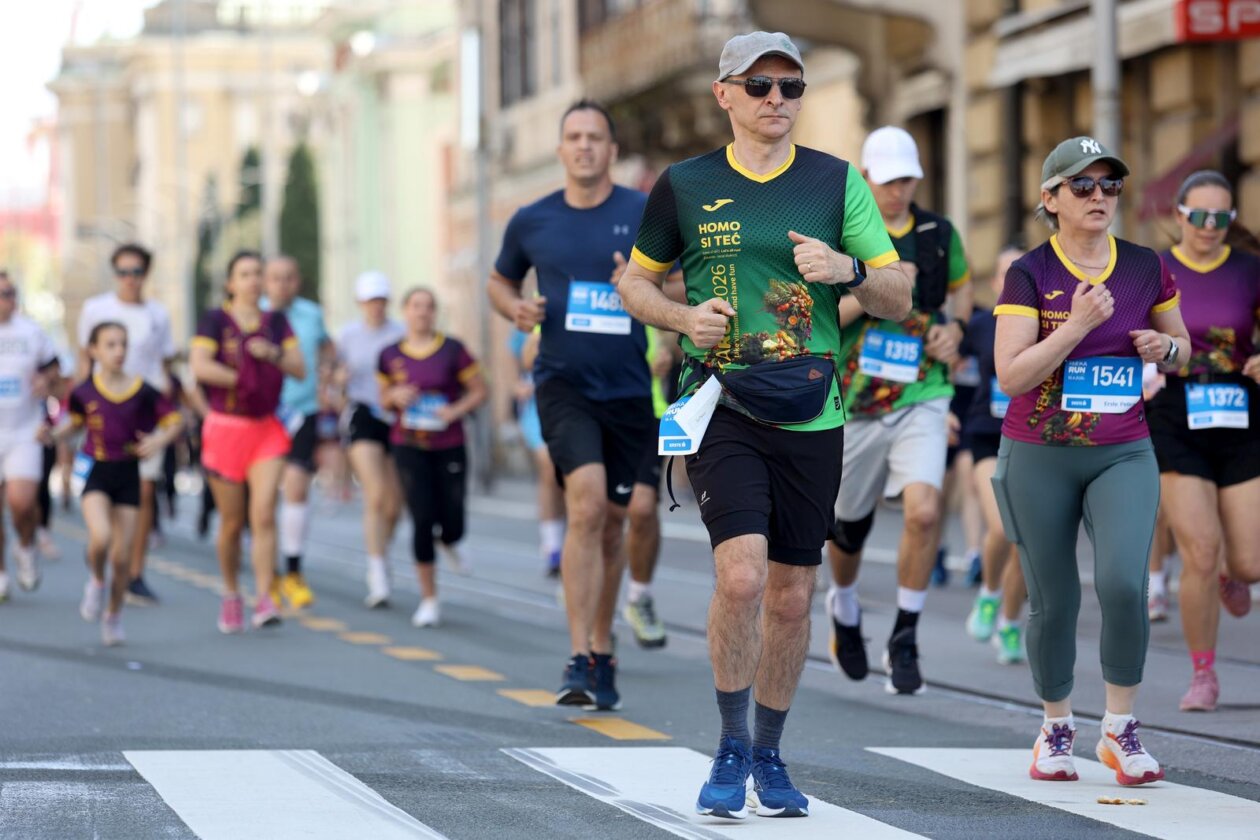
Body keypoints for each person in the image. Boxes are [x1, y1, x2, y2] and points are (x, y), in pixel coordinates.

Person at [618, 31, 911, 819]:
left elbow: (898, 291)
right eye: (759, 86)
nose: (776, 100)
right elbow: (634, 285)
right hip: (724, 404)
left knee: (790, 594)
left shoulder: (835, 181)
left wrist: (848, 270)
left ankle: (771, 753)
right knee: (741, 577)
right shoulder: (684, 184)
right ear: (725, 95)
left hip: (813, 409)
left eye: (790, 86)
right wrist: (681, 316)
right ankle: (728, 743)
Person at [992, 137, 1189, 786]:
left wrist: (1164, 347)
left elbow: (1182, 350)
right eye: (1083, 186)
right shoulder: (1029, 273)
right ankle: (1055, 725)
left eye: (1110, 185)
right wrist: (1074, 327)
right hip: (1039, 452)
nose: (1100, 196)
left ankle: (1119, 729)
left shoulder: (1143, 265)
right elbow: (1012, 376)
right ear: (1051, 199)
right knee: (1055, 599)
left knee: (1127, 585)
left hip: (1122, 449)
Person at [487, 99, 672, 712]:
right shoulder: (532, 220)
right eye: (574, 137)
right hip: (563, 384)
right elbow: (499, 280)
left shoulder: (642, 213)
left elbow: (686, 278)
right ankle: (577, 655)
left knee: (617, 522)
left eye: (596, 137)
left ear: (612, 151)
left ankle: (603, 644)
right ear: (561, 150)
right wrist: (514, 309)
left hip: (628, 391)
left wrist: (640, 286)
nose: (585, 146)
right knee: (586, 504)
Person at [824, 125, 973, 695]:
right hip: (855, 398)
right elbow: (818, 319)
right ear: (865, 179)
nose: (897, 191)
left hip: (923, 390)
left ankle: (905, 635)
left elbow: (961, 289)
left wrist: (954, 330)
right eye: (887, 181)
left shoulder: (937, 233)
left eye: (906, 179)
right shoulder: (841, 233)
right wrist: (877, 288)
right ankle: (844, 604)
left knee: (925, 512)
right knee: (848, 526)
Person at [1147, 171, 1260, 712]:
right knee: (1200, 548)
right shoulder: (1154, 269)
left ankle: (1229, 575)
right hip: (1176, 411)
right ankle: (1204, 674)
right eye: (1200, 217)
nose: (1210, 228)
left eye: (1222, 218)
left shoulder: (1250, 270)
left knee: (1250, 564)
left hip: (1240, 411)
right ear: (1179, 215)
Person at [190, 251, 305, 633]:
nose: (253, 281)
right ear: (230, 283)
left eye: (258, 274)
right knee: (232, 522)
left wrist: (270, 353)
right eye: (245, 274)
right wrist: (241, 377)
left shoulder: (276, 322)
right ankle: (230, 592)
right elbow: (200, 366)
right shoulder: (214, 320)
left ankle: (265, 597)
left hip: (266, 428)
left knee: (264, 513)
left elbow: (299, 367)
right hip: (226, 429)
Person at [49, 322, 182, 645]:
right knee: (101, 536)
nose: (118, 351)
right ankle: (96, 581)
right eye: (110, 345)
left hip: (128, 475)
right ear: (93, 350)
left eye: (122, 344)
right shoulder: (83, 391)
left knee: (122, 557)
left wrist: (158, 441)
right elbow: (73, 423)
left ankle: (113, 614)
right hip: (97, 470)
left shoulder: (143, 390)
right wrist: (52, 434)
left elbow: (174, 421)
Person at [377, 287, 487, 627]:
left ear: (435, 312)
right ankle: (429, 599)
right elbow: (382, 399)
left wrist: (454, 410)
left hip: (449, 442)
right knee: (422, 518)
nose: (422, 313)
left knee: (452, 518)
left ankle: (451, 539)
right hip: (408, 444)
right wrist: (395, 395)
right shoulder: (389, 354)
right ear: (405, 311)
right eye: (415, 306)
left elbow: (480, 390)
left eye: (428, 307)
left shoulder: (453, 350)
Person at [77, 244, 177, 607]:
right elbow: (83, 362)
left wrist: (172, 414)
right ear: (114, 273)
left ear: (145, 274)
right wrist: (79, 407)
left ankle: (135, 573)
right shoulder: (96, 309)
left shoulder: (157, 314)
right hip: (107, 412)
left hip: (144, 416)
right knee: (103, 499)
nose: (129, 279)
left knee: (145, 492)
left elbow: (165, 366)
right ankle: (102, 558)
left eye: (136, 271)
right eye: (122, 271)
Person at [960, 246, 1028, 664]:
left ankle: (1011, 622)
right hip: (987, 434)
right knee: (1004, 527)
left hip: (1035, 438)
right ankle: (989, 594)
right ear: (995, 283)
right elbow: (950, 367)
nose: (1015, 283)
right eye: (1008, 275)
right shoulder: (981, 325)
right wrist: (944, 412)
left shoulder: (1048, 323)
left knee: (1026, 542)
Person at [263, 255, 333, 610]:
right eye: (275, 278)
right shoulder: (253, 314)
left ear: (298, 281)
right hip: (263, 414)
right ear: (264, 282)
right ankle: (267, 574)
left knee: (296, 486)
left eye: (289, 278)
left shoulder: (311, 314)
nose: (282, 285)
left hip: (302, 411)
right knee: (263, 497)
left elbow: (326, 350)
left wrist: (330, 378)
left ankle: (292, 570)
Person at [337, 271, 406, 607]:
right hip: (363, 413)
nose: (375, 307)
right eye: (369, 301)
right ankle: (377, 572)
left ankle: (383, 549)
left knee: (396, 503)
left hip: (396, 416)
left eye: (380, 300)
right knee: (375, 495)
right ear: (360, 303)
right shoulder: (347, 336)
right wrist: (337, 380)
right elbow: (331, 381)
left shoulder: (400, 333)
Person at [0, 272, 61, 599]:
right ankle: (1, 573)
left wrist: (47, 384)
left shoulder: (32, 333)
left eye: (10, 293)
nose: (6, 300)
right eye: (0, 294)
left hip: (24, 430)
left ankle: (26, 546)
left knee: (22, 503)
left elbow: (57, 376)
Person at [508, 327, 565, 577]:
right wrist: (520, 387)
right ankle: (552, 544)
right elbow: (515, 375)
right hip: (537, 408)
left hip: (572, 404)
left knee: (571, 477)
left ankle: (571, 538)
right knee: (549, 470)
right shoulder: (527, 322)